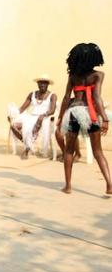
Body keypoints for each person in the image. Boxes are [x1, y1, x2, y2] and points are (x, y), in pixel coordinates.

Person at [58, 43, 112, 194]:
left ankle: (68, 186)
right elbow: (97, 98)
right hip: (90, 113)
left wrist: (61, 117)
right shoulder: (98, 75)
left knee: (69, 151)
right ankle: (109, 185)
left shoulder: (73, 76)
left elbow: (66, 98)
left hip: (74, 112)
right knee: (98, 151)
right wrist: (105, 119)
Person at [7, 75, 57, 159]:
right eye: (40, 83)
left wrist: (43, 115)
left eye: (44, 83)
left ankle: (27, 148)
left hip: (44, 117)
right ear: (37, 84)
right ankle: (27, 143)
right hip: (31, 117)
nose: (42, 85)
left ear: (48, 84)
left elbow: (52, 110)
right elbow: (22, 108)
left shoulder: (52, 95)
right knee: (14, 125)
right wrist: (13, 114)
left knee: (37, 123)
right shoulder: (32, 94)